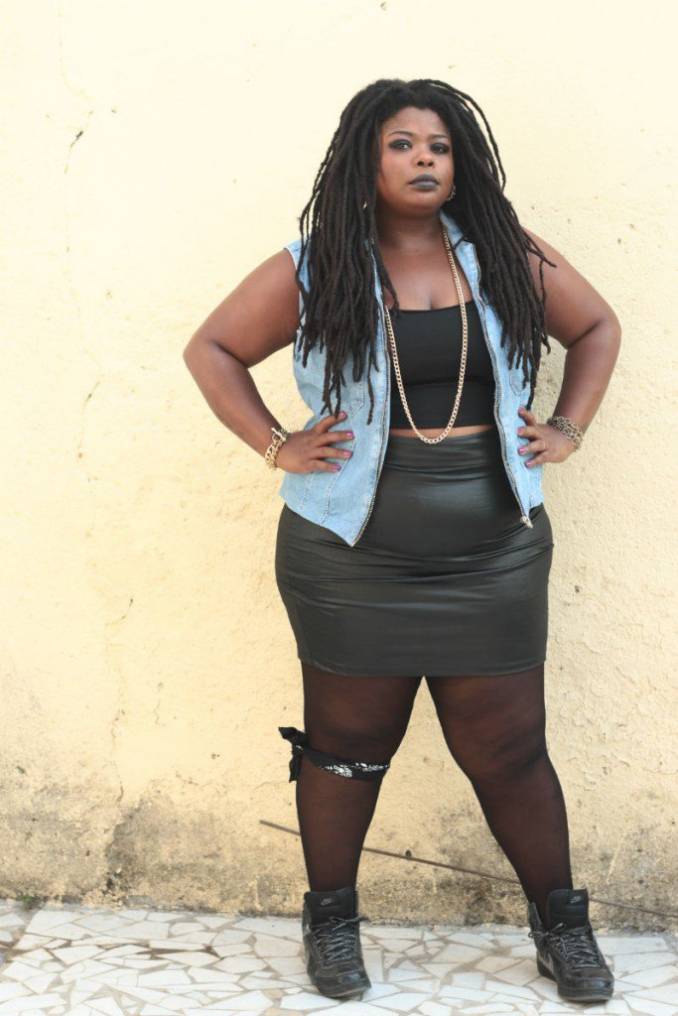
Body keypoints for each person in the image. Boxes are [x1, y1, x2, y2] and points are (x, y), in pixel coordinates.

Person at [183, 77, 621, 1006]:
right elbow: (212, 349)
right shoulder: (315, 268)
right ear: (366, 160)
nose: (424, 158)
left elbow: (596, 327)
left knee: (509, 747)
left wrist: (568, 428)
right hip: (350, 556)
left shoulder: (506, 256)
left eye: (439, 146)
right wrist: (276, 444)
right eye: (401, 144)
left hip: (494, 553)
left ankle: (562, 926)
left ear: (460, 164)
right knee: (347, 743)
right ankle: (331, 922)